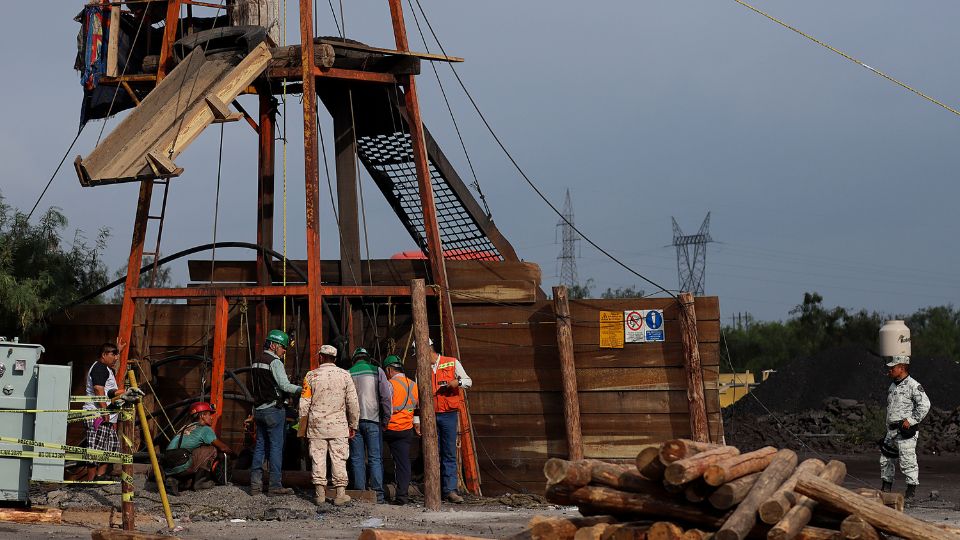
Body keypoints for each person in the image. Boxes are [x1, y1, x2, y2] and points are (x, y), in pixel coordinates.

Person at [413, 338, 472, 504]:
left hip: (448, 414)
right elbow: (418, 398)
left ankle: (450, 490)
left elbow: (468, 381)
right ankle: (435, 489)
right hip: (429, 416)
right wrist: (417, 420)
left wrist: (456, 382)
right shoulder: (420, 370)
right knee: (432, 454)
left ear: (428, 349)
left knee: (448, 453)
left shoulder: (451, 362)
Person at [300, 344, 360, 506]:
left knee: (318, 459)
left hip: (316, 425)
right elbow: (353, 402)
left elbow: (304, 404)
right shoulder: (345, 375)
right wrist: (353, 424)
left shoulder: (311, 376)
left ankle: (320, 495)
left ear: (320, 357)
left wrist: (302, 428)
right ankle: (340, 495)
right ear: (335, 358)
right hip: (338, 426)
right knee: (339, 459)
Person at [248, 329, 302, 496]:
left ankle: (255, 486)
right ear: (273, 345)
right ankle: (274, 486)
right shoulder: (275, 362)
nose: (284, 350)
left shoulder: (256, 361)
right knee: (276, 448)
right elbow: (285, 386)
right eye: (282, 347)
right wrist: (303, 389)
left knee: (260, 447)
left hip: (259, 410)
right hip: (273, 410)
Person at [347, 347, 393, 503]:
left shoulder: (348, 372)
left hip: (353, 422)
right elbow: (386, 397)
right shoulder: (377, 370)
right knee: (375, 458)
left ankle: (360, 493)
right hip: (373, 420)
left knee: (356, 458)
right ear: (367, 358)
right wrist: (386, 419)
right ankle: (378, 495)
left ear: (355, 359)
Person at [881, 357, 930, 500]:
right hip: (891, 431)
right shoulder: (893, 386)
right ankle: (886, 487)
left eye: (893, 368)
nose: (890, 370)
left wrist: (912, 420)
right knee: (886, 459)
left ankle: (910, 491)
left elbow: (925, 405)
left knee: (907, 461)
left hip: (904, 432)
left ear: (901, 368)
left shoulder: (913, 385)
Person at [162, 402, 235, 495]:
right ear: (203, 416)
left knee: (188, 479)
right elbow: (223, 448)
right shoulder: (205, 429)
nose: (211, 417)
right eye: (209, 414)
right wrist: (234, 456)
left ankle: (174, 480)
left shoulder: (185, 427)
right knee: (211, 449)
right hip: (182, 461)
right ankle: (200, 482)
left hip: (168, 463)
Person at [382, 355, 418, 505]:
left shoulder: (390, 385)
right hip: (406, 429)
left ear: (389, 370)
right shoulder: (413, 385)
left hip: (389, 428)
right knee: (403, 463)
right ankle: (402, 496)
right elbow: (416, 408)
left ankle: (376, 490)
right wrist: (416, 424)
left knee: (374, 457)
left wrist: (382, 424)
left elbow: (386, 407)